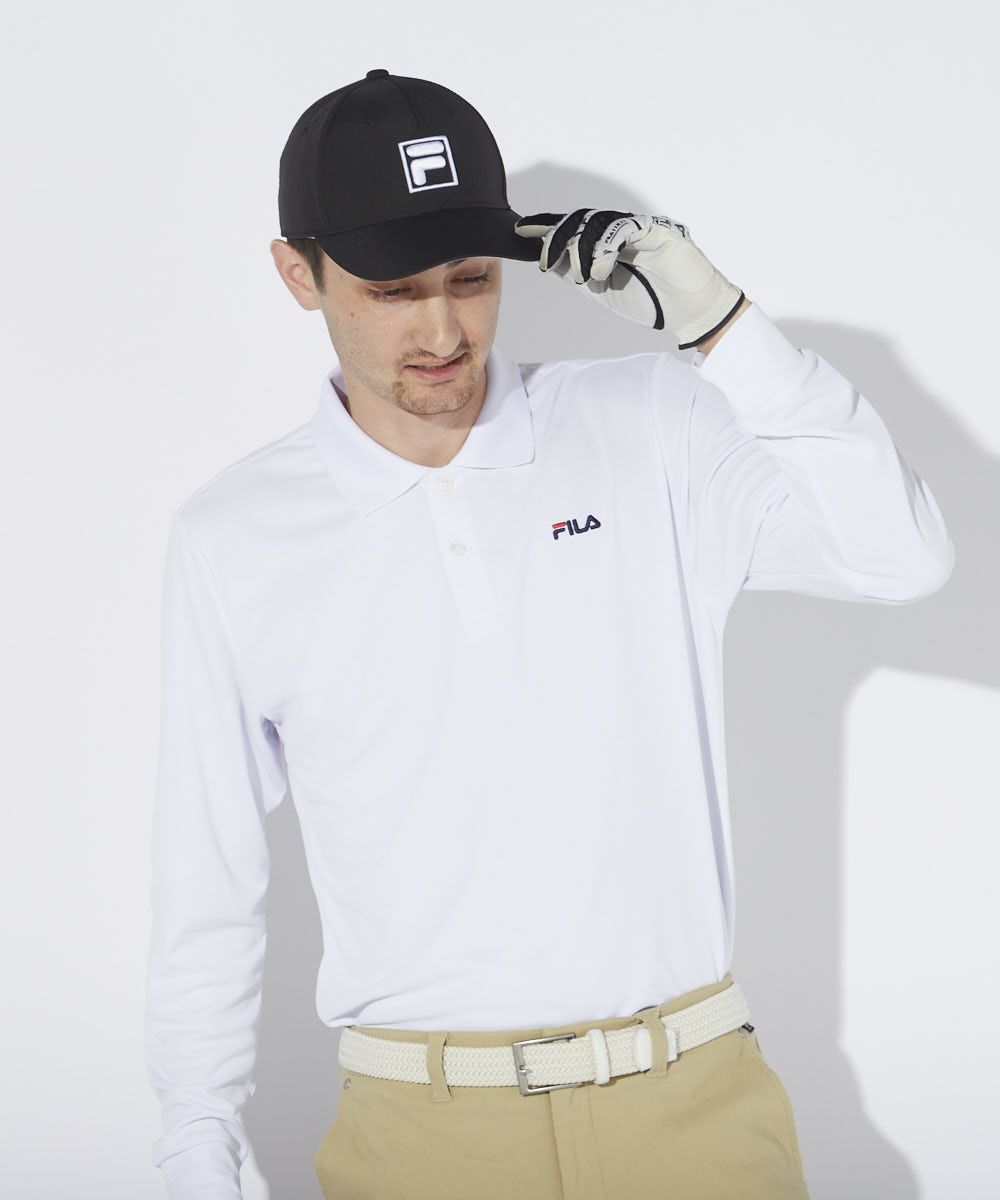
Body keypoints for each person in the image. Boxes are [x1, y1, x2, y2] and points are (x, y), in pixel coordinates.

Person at [143, 69, 955, 1200]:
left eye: (473, 278)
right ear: (298, 273)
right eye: (392, 289)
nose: (442, 329)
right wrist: (195, 1144)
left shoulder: (652, 422)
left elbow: (902, 557)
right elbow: (208, 875)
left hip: (694, 1110)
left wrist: (725, 329)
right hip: (421, 1137)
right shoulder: (233, 536)